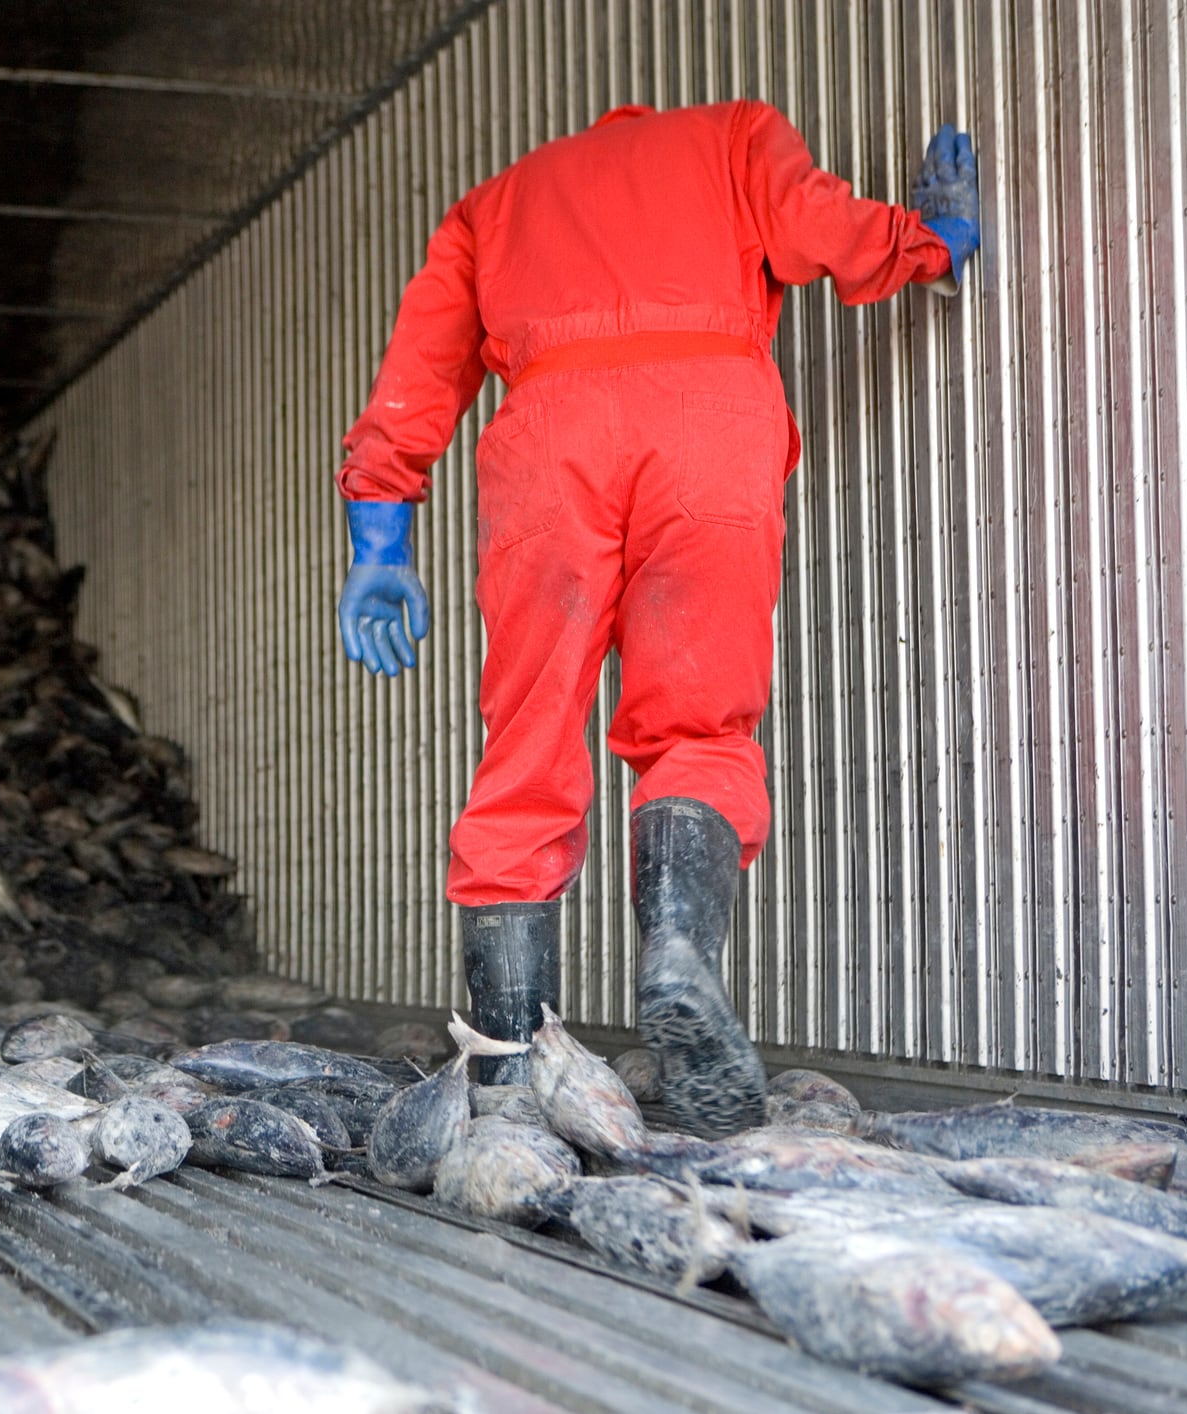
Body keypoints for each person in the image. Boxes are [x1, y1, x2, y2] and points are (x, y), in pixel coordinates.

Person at [335, 102, 979, 1135]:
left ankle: (505, 1066)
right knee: (696, 728)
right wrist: (931, 242)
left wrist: (380, 547)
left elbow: (417, 379)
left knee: (528, 738)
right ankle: (678, 949)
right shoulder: (735, 137)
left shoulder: (494, 205)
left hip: (549, 443)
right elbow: (821, 230)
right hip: (709, 423)